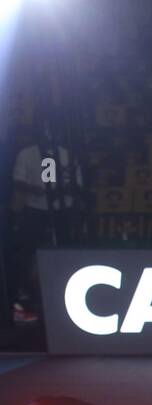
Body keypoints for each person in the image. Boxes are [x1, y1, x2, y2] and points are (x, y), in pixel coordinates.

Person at [9, 120, 83, 321]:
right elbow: (19, 180)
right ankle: (22, 298)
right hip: (34, 210)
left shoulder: (67, 154)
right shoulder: (27, 154)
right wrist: (41, 191)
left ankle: (64, 295)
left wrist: (60, 192)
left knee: (63, 251)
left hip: (62, 211)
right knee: (28, 254)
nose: (48, 134)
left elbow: (77, 184)